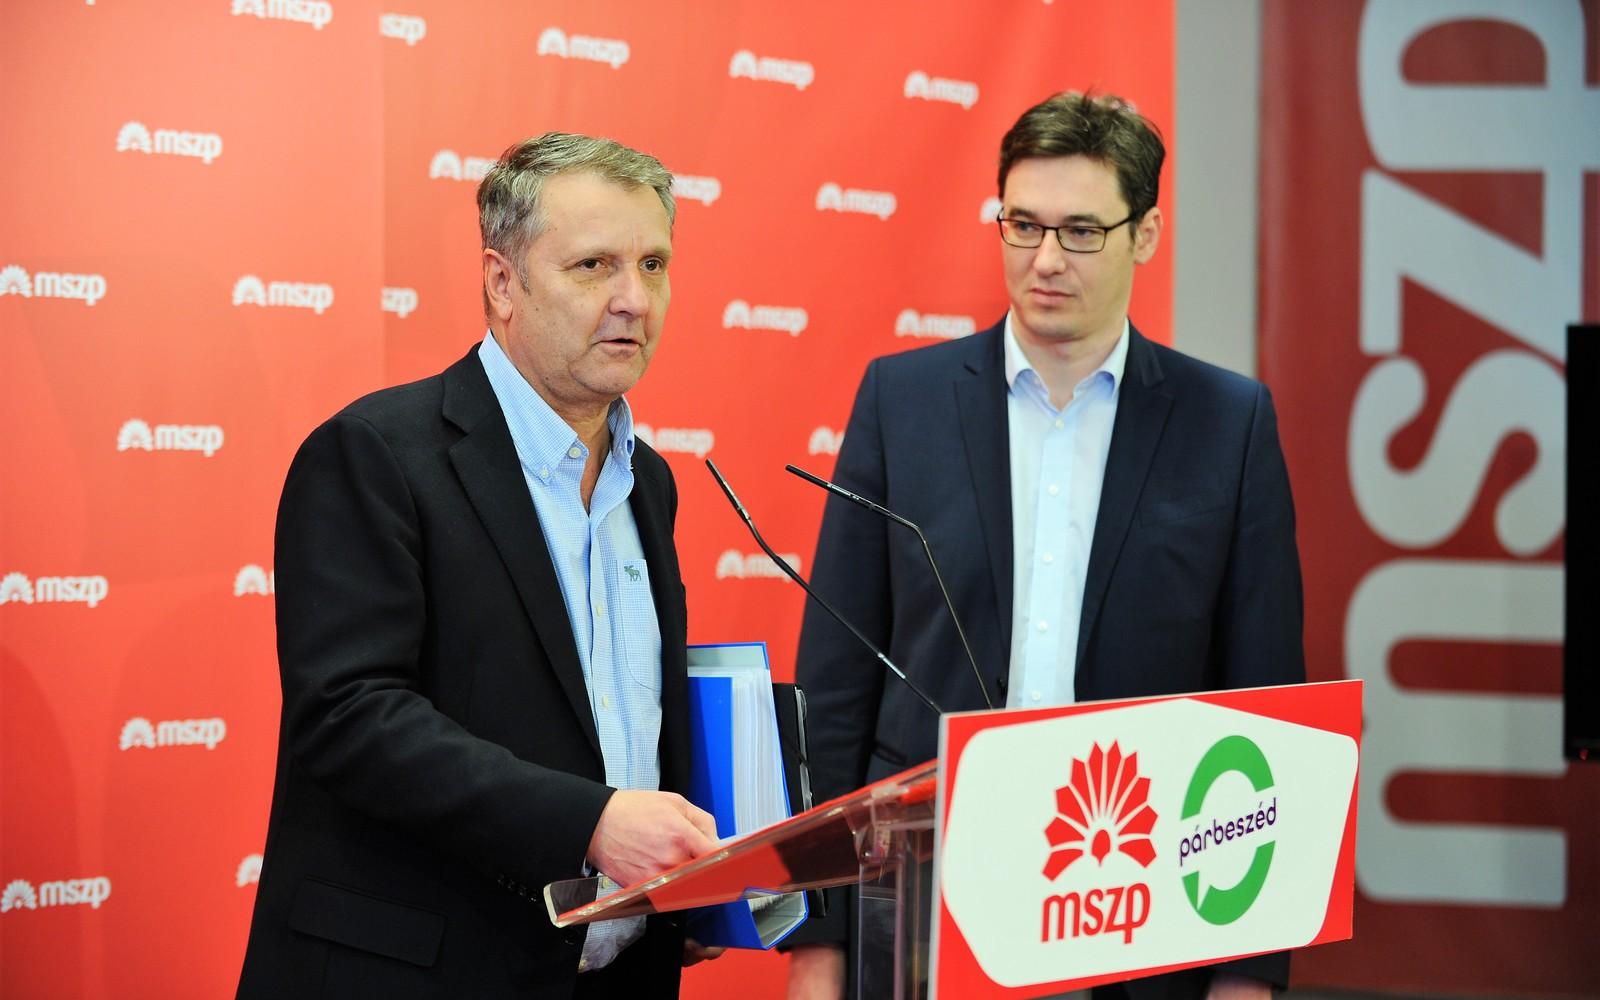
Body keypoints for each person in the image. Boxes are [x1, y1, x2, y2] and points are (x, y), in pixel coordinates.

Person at [786, 92, 1304, 1000]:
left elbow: (1263, 711)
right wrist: (816, 946)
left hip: (1144, 898)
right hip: (923, 896)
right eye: (1022, 225)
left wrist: (1249, 973)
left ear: (1145, 235)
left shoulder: (1229, 425)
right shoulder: (903, 403)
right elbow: (834, 692)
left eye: (1081, 232)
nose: (1046, 259)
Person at [237, 132, 722, 1000]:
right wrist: (592, 823)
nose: (632, 300)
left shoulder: (648, 481)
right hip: (420, 974)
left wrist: (690, 881)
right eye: (593, 266)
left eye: (653, 265)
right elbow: (350, 715)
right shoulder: (375, 454)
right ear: (502, 283)